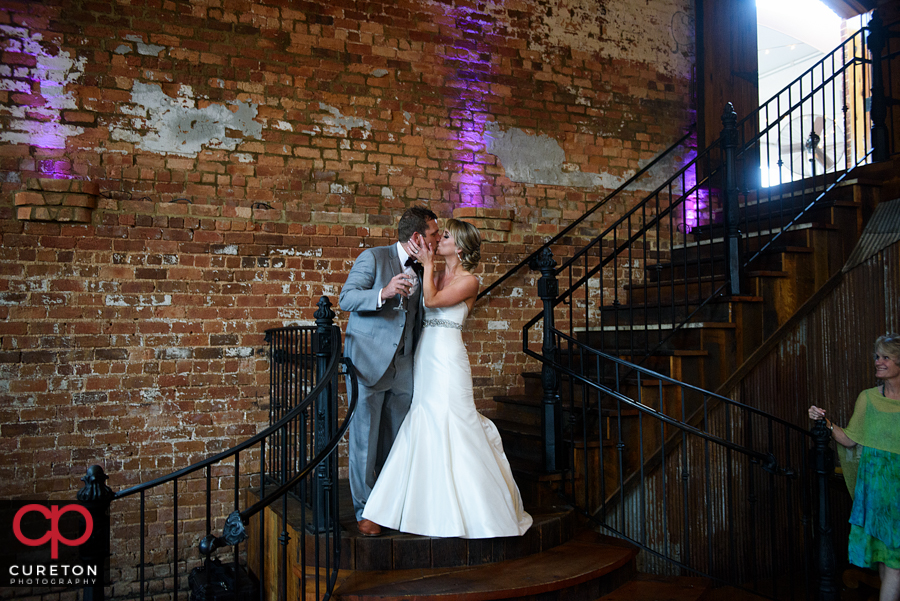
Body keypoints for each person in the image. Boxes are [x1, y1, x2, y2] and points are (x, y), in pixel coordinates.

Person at [361, 219, 533, 538]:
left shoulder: (470, 280)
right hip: (426, 354)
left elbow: (432, 301)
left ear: (461, 247)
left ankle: (476, 510)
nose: (441, 239)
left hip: (449, 358)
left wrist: (427, 265)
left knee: (456, 421)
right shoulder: (438, 273)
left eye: (448, 236)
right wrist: (420, 261)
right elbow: (417, 297)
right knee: (421, 420)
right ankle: (385, 510)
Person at [339, 206, 441, 537]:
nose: (438, 239)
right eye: (434, 235)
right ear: (417, 238)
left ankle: (393, 503)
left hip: (405, 365)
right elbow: (346, 298)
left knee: (399, 439)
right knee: (365, 441)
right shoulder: (374, 258)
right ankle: (366, 510)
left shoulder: (427, 265)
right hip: (368, 363)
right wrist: (383, 293)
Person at [809, 333, 900, 601]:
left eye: (886, 357)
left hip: (898, 495)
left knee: (895, 563)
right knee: (886, 560)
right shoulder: (868, 399)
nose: (878, 362)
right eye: (877, 356)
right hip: (874, 494)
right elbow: (849, 439)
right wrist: (824, 421)